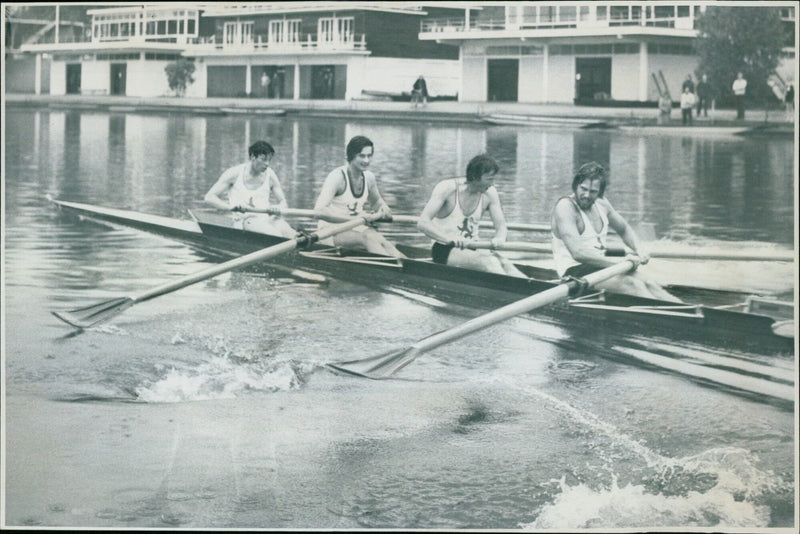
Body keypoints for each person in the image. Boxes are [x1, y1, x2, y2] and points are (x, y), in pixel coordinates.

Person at [551, 162, 681, 302]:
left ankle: (685, 313)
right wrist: (618, 264)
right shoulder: (565, 207)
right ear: (576, 185)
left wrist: (640, 249)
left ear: (600, 193)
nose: (587, 195)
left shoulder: (602, 204)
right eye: (583, 189)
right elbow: (578, 253)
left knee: (650, 283)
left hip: (599, 266)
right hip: (573, 273)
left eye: (593, 192)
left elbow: (624, 229)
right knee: (633, 285)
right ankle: (669, 319)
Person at [417, 154, 525, 277]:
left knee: (505, 263)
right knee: (489, 262)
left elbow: (501, 226)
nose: (492, 184)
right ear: (475, 177)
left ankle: (531, 287)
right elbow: (423, 223)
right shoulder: (447, 188)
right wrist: (448, 239)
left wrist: (500, 238)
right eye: (489, 179)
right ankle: (515, 289)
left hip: (474, 247)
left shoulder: (490, 193)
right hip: (445, 248)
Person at [314, 135, 405, 257]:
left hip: (356, 228)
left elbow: (376, 201)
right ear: (350, 156)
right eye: (361, 156)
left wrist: (383, 208)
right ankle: (394, 271)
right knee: (367, 237)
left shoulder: (369, 178)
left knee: (384, 242)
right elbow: (319, 212)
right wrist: (356, 220)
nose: (366, 161)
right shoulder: (337, 177)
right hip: (330, 232)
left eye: (369, 156)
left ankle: (408, 268)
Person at [204, 140, 296, 238]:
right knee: (276, 236)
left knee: (290, 233)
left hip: (267, 219)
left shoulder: (270, 175)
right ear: (252, 157)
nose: (267, 164)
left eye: (269, 160)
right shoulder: (234, 173)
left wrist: (278, 208)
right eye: (264, 159)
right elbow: (209, 197)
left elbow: (283, 202)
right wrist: (230, 207)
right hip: (245, 221)